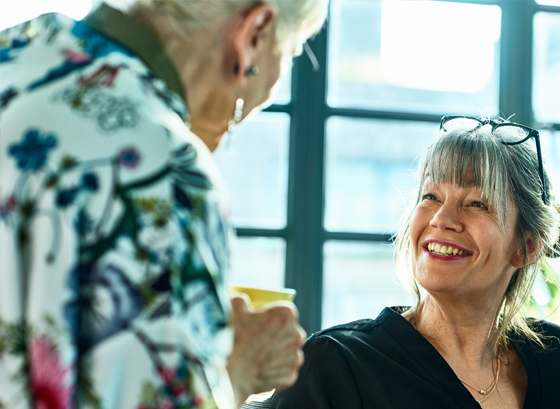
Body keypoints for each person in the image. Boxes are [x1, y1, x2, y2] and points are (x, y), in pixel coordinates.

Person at [0, 0, 327, 407]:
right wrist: (233, 372)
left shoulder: (14, 50)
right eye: (290, 53)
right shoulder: (165, 170)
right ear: (255, 33)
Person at [269, 116, 560, 409]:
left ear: (526, 246)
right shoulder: (334, 365)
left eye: (477, 203)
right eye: (431, 197)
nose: (442, 219)